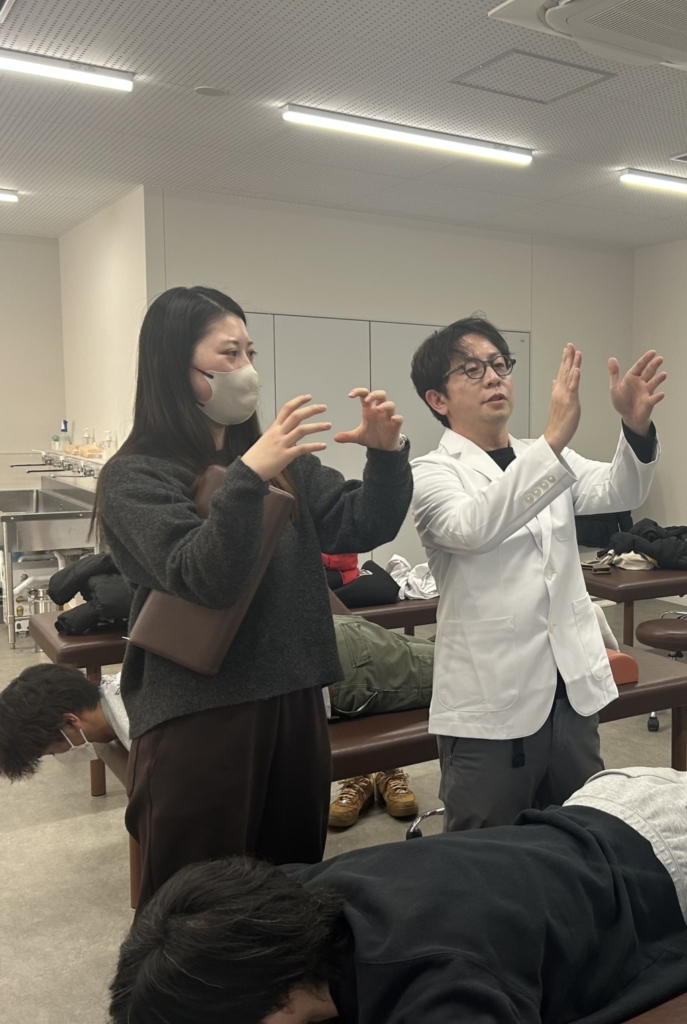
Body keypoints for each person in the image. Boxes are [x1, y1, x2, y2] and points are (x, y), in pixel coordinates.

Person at [93, 286, 412, 908]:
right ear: (174, 367)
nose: (246, 370)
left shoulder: (275, 461)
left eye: (250, 352)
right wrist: (246, 479)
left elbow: (360, 524)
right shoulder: (135, 476)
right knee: (197, 903)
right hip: (199, 713)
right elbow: (203, 575)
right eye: (228, 353)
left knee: (289, 887)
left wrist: (386, 458)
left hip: (294, 697)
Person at [109, 767, 687, 1024]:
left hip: (666, 856)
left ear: (281, 1000)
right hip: (604, 805)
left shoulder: (439, 989)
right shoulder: (284, 905)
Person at [410, 316, 664, 831]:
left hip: (570, 694)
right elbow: (473, 528)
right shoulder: (431, 472)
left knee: (579, 843)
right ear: (438, 399)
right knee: (487, 855)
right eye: (472, 369)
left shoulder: (543, 455)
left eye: (499, 364)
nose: (493, 377)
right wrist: (552, 441)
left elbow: (621, 489)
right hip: (490, 706)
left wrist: (635, 428)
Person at [0, 664, 129, 781]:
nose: (58, 755)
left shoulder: (135, 734)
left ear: (70, 722)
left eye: (52, 752)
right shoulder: (118, 684)